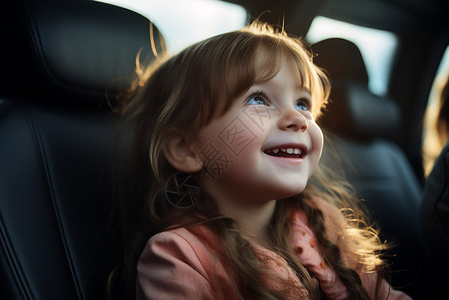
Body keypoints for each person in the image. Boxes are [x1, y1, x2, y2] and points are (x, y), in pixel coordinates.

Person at [115, 22, 411, 299]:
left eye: (302, 103)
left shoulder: (322, 224)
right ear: (187, 150)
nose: (298, 119)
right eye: (259, 99)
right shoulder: (179, 256)